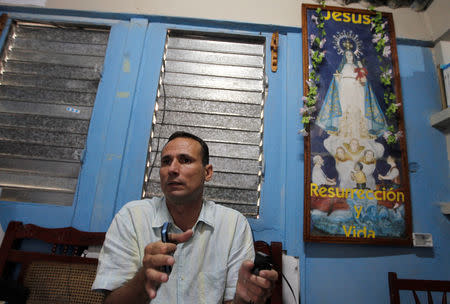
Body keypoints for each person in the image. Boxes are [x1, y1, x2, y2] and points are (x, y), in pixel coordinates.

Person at [92, 131, 278, 304]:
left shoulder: (233, 224)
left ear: (207, 172)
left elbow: (235, 299)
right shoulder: (131, 217)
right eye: (166, 161)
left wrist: (243, 299)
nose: (172, 169)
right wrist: (143, 279)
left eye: (185, 160)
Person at [316, 49, 388, 139]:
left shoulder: (356, 66)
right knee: (345, 107)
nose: (349, 57)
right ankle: (344, 132)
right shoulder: (343, 67)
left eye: (350, 55)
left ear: (353, 56)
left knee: (358, 107)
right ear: (345, 56)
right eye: (347, 55)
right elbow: (339, 79)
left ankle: (360, 132)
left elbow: (363, 79)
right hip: (345, 89)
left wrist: (361, 74)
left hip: (357, 89)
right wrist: (338, 78)